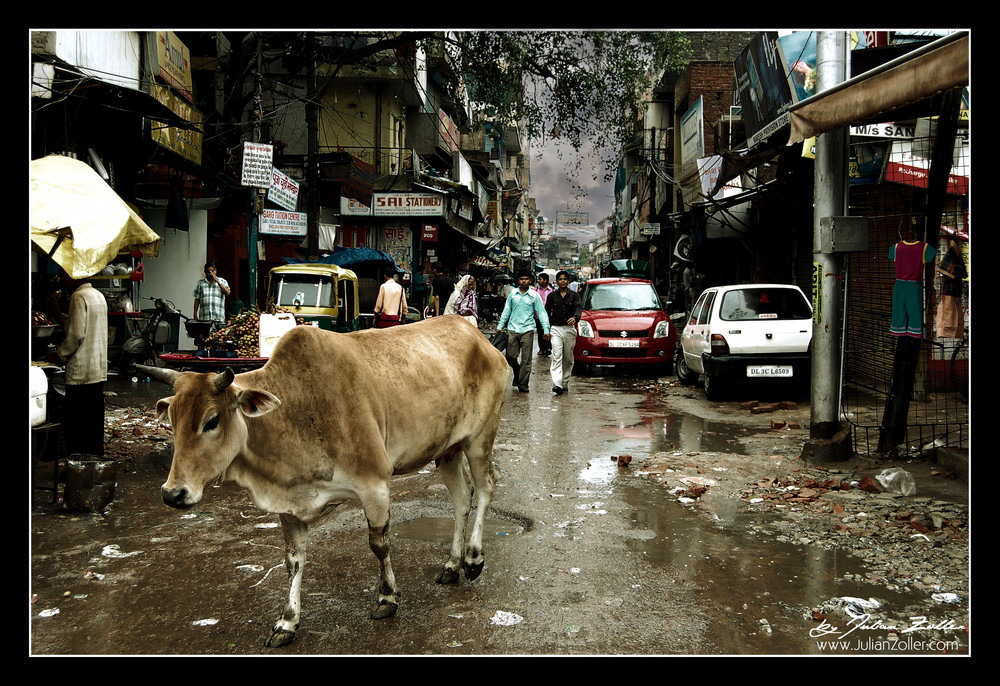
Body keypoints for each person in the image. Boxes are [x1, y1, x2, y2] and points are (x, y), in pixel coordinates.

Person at [54, 272, 108, 456]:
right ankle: (94, 464)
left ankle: (76, 467)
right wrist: (59, 315)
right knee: (93, 423)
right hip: (97, 369)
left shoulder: (78, 297)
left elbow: (76, 335)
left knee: (76, 425)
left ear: (75, 277)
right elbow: (80, 325)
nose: (62, 280)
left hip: (81, 372)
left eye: (65, 276)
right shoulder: (98, 296)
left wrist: (60, 354)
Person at [497, 271, 550, 392]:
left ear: (530, 281)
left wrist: (546, 329)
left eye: (526, 279)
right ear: (518, 281)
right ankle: (517, 371)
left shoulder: (534, 295)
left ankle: (523, 384)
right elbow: (507, 310)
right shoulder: (513, 294)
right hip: (512, 329)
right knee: (510, 356)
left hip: (528, 329)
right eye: (521, 279)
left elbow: (541, 313)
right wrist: (500, 325)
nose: (524, 281)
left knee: (526, 360)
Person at [545, 270, 583, 396]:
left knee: (568, 358)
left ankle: (565, 381)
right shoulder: (552, 296)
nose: (562, 281)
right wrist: (547, 329)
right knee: (556, 356)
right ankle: (557, 384)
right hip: (555, 328)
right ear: (556, 281)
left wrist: (575, 318)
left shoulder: (574, 296)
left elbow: (578, 308)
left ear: (568, 281)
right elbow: (547, 312)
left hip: (569, 329)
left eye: (564, 279)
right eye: (560, 279)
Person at [935, 233, 967, 339]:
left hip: (953, 295)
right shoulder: (952, 254)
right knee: (948, 319)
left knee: (950, 318)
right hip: (951, 295)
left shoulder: (956, 255)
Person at [193, 261, 231, 331]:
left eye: (212, 271)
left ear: (215, 271)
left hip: (218, 318)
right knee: (204, 339)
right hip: (204, 319)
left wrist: (218, 282)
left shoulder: (222, 281)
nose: (210, 273)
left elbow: (227, 292)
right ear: (205, 272)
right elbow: (197, 299)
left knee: (217, 339)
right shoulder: (201, 283)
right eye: (208, 272)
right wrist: (195, 313)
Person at [533, 272, 553, 356]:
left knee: (548, 331)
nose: (538, 281)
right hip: (538, 315)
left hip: (549, 315)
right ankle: (541, 348)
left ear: (545, 280)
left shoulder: (552, 291)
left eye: (540, 279)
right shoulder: (536, 291)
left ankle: (548, 347)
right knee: (540, 332)